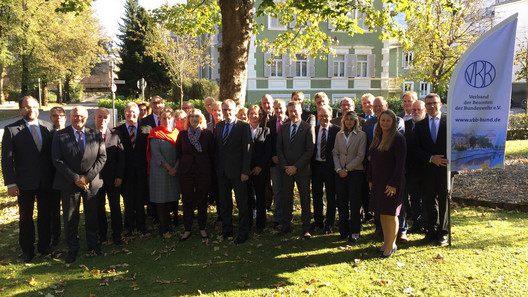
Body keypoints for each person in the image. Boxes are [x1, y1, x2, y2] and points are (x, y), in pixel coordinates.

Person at [2, 96, 55, 262]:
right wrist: (10, 183)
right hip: (24, 183)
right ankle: (27, 250)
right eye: (26, 107)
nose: (31, 109)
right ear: (20, 110)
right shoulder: (11, 130)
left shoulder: (48, 127)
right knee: (26, 218)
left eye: (34, 106)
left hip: (46, 182)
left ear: (38, 108)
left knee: (46, 215)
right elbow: (6, 159)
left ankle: (45, 246)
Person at [52, 106, 107, 263]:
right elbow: (57, 160)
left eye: (81, 116)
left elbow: (102, 157)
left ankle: (93, 245)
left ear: (86, 116)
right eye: (75, 116)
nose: (78, 118)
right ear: (70, 116)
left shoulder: (95, 134)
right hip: (69, 182)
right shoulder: (60, 135)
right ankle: (72, 248)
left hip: (91, 182)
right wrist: (75, 178)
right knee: (70, 217)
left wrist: (88, 178)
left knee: (92, 215)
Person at [412, 93, 449, 246]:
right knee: (428, 202)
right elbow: (415, 148)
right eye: (428, 104)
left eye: (434, 103)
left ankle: (443, 233)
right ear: (425, 107)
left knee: (444, 201)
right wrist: (431, 158)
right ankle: (430, 231)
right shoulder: (420, 126)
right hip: (427, 170)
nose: (432, 106)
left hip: (445, 170)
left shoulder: (450, 122)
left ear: (440, 104)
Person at [368, 110, 406, 258]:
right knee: (382, 213)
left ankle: (391, 246)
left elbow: (400, 164)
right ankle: (386, 242)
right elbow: (373, 162)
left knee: (391, 214)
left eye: (388, 121)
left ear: (393, 122)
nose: (384, 123)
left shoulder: (398, 139)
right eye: (382, 120)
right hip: (378, 181)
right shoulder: (377, 137)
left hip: (392, 182)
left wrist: (393, 184)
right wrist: (370, 179)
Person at [215, 99, 253, 244]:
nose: (227, 112)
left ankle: (243, 231)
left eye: (229, 109)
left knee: (242, 203)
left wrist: (245, 171)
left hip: (239, 172)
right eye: (224, 110)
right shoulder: (218, 126)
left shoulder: (243, 126)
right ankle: (227, 230)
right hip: (222, 172)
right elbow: (218, 150)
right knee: (225, 203)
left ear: (235, 109)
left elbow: (247, 151)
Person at [277, 101, 315, 239]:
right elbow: (279, 149)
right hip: (286, 170)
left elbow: (309, 150)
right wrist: (286, 166)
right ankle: (286, 225)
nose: (293, 113)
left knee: (305, 199)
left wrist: (296, 167)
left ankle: (306, 228)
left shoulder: (307, 127)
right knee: (286, 199)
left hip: (302, 170)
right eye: (290, 111)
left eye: (295, 111)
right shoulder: (284, 128)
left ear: (301, 111)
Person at [176, 109, 215, 240]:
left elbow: (211, 154)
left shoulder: (207, 134)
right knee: (187, 200)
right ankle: (187, 228)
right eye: (191, 116)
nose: (193, 119)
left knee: (202, 200)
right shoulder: (182, 135)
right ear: (188, 119)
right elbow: (179, 153)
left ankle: (202, 227)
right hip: (186, 171)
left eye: (196, 116)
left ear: (201, 119)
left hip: (203, 171)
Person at [116, 102, 150, 236]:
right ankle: (129, 226)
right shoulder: (117, 131)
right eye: (128, 112)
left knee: (141, 199)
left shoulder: (147, 129)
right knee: (128, 200)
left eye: (134, 112)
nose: (131, 115)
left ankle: (141, 225)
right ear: (124, 114)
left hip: (142, 171)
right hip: (125, 172)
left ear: (139, 114)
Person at [332, 111, 366, 242]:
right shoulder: (339, 135)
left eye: (352, 119)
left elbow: (360, 155)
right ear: (343, 121)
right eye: (347, 119)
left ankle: (355, 231)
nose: (349, 122)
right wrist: (339, 168)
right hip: (340, 173)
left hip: (355, 172)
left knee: (355, 203)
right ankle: (343, 230)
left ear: (356, 121)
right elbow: (335, 152)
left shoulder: (361, 135)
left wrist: (347, 168)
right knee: (341, 202)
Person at [147, 108, 180, 237]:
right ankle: (163, 227)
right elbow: (156, 154)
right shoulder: (155, 133)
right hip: (160, 170)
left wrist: (176, 167)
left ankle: (170, 223)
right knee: (161, 199)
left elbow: (181, 153)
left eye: (169, 118)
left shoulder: (177, 133)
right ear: (159, 119)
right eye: (164, 118)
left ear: (173, 119)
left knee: (171, 197)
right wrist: (169, 168)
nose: (167, 120)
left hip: (174, 171)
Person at [94, 108, 125, 245]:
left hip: (113, 178)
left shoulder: (115, 134)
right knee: (99, 207)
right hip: (96, 178)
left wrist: (119, 176)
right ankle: (102, 234)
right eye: (99, 117)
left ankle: (117, 234)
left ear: (109, 118)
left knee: (115, 207)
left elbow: (121, 157)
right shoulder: (90, 134)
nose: (102, 120)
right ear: (95, 118)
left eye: (105, 117)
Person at [311, 106, 339, 234]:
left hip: (330, 167)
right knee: (316, 195)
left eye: (326, 115)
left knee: (331, 196)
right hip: (316, 166)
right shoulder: (313, 130)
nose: (323, 118)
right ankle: (318, 221)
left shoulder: (337, 131)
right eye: (321, 116)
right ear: (318, 117)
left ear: (331, 116)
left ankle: (329, 222)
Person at [246, 105, 271, 232]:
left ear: (260, 116)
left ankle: (261, 224)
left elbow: (267, 152)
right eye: (251, 113)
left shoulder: (266, 131)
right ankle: (249, 222)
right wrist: (247, 168)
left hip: (260, 170)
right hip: (247, 169)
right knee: (249, 197)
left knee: (261, 197)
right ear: (248, 115)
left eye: (255, 114)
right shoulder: (244, 130)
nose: (253, 116)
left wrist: (260, 166)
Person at [405, 100, 427, 234]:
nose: (416, 112)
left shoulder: (427, 125)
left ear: (424, 111)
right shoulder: (405, 125)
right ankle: (416, 223)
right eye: (414, 110)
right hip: (410, 168)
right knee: (414, 198)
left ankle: (426, 223)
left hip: (426, 168)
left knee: (426, 199)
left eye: (419, 110)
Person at [266, 99, 288, 228]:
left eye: (280, 108)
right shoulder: (270, 123)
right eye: (276, 108)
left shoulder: (291, 122)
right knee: (277, 190)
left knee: (288, 191)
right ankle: (278, 217)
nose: (278, 111)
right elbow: (268, 143)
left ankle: (287, 217)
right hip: (275, 163)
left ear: (284, 108)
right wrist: (272, 156)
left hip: (288, 163)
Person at [49, 106, 66, 246]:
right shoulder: (47, 134)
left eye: (60, 115)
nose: (58, 117)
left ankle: (71, 233)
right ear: (51, 118)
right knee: (53, 210)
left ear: (65, 117)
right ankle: (54, 235)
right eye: (55, 115)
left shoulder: (72, 133)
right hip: (52, 178)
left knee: (70, 209)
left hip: (69, 178)